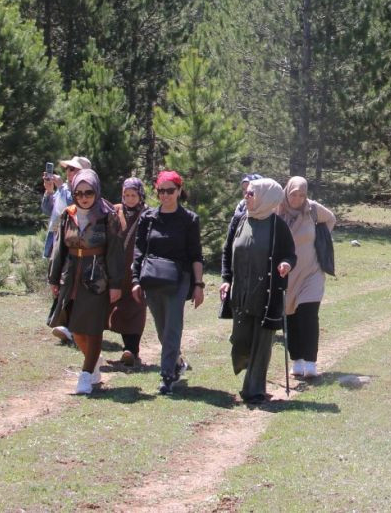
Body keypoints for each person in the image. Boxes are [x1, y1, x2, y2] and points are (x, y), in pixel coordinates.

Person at [221, 177, 296, 404]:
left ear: (266, 197)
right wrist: (226, 280)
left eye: (251, 194)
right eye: (246, 192)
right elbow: (227, 251)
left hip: (267, 293)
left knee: (262, 343)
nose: (246, 196)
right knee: (240, 340)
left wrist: (285, 264)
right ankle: (248, 368)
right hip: (241, 292)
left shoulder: (277, 226)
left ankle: (254, 390)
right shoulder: (240, 220)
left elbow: (290, 254)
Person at [48, 169, 123, 395]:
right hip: (71, 276)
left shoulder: (106, 215)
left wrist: (116, 284)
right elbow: (59, 248)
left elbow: (115, 252)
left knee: (92, 328)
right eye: (79, 192)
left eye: (88, 192)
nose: (83, 197)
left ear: (96, 191)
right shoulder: (67, 214)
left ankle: (86, 375)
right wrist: (54, 277)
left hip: (97, 276)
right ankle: (94, 360)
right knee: (75, 329)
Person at [131, 171, 205, 394]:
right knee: (162, 328)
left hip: (179, 279)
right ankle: (177, 362)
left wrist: (199, 285)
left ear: (179, 191)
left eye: (170, 190)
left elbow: (196, 254)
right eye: (161, 191)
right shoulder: (148, 218)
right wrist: (135, 280)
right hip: (152, 279)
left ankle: (167, 376)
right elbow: (139, 250)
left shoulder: (189, 219)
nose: (165, 195)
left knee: (173, 326)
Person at [280, 176, 337, 380]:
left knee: (308, 314)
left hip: (312, 272)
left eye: (302, 195)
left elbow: (331, 218)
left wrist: (322, 238)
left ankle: (311, 362)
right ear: (287, 192)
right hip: (287, 273)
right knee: (291, 316)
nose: (297, 198)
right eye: (293, 194)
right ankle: (297, 360)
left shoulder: (312, 209)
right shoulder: (279, 209)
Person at [41, 155, 91, 344]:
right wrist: (49, 191)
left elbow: (75, 207)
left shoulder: (83, 192)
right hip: (57, 241)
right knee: (60, 285)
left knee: (71, 287)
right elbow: (49, 211)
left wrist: (61, 187)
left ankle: (69, 328)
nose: (69, 173)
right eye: (68, 169)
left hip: (76, 247)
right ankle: (64, 325)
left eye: (73, 169)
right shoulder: (64, 190)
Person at [107, 177, 148, 367]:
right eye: (127, 195)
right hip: (115, 268)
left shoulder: (148, 214)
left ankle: (131, 350)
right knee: (114, 306)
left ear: (140, 195)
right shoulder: (115, 211)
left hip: (137, 268)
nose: (130, 199)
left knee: (135, 307)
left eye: (133, 195)